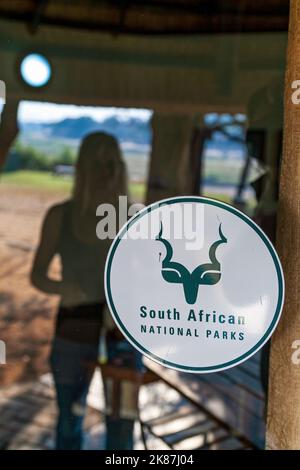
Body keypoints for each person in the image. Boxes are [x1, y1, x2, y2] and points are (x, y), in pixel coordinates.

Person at [31, 131, 137, 450]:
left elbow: (151, 281)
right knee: (68, 421)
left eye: (114, 163)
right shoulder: (60, 216)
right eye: (99, 163)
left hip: (123, 335)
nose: (108, 172)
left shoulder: (134, 218)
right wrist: (67, 287)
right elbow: (38, 276)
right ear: (83, 168)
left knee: (123, 424)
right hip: (73, 329)